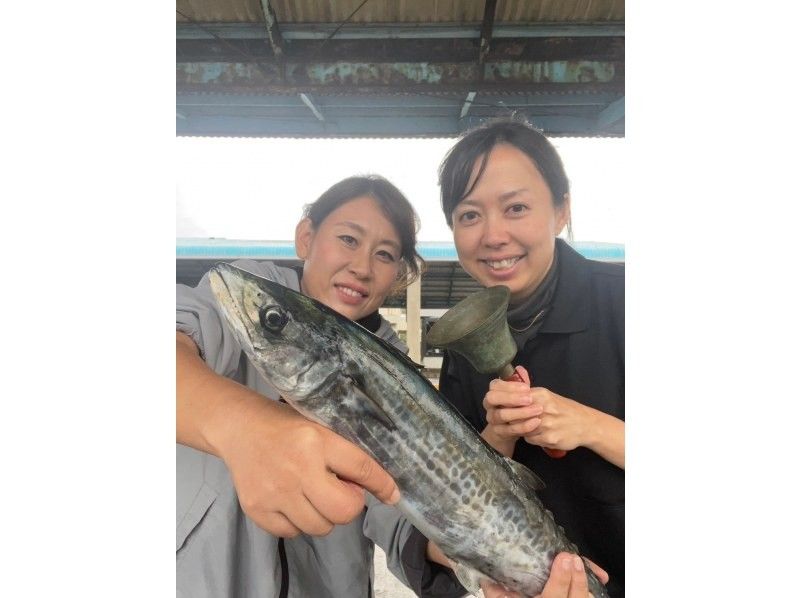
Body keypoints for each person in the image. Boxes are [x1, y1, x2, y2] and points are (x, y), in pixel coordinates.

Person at [177, 175, 460, 597]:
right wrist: (242, 426)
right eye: (348, 239)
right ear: (306, 237)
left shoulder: (397, 372)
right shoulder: (255, 299)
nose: (362, 267)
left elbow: (394, 503)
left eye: (384, 254)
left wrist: (458, 547)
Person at [419, 118, 625, 597]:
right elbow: (459, 505)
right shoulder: (463, 349)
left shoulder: (628, 303)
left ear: (560, 211)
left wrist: (591, 427)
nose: (493, 235)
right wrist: (498, 437)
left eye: (515, 207)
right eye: (469, 215)